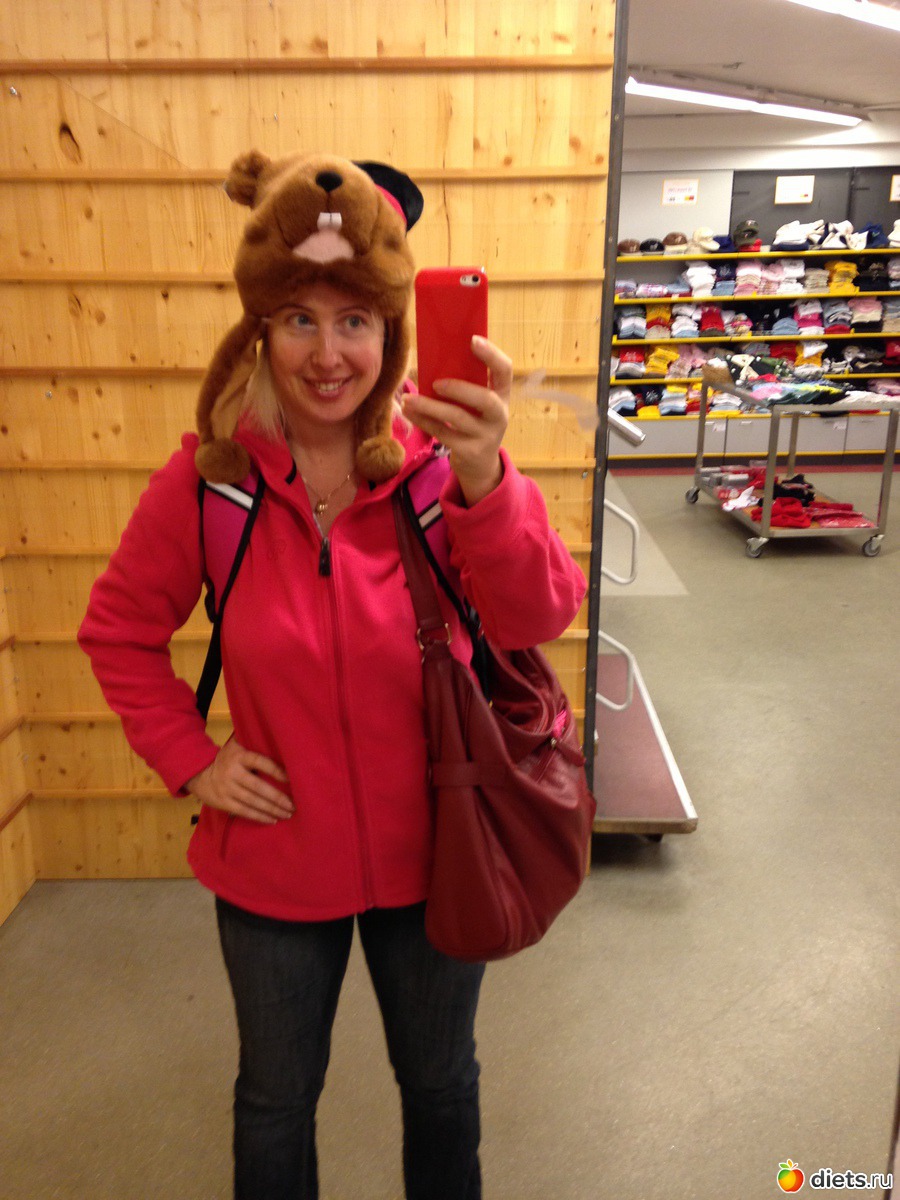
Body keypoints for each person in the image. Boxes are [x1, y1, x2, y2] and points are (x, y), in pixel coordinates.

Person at [78, 151, 587, 1200]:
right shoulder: (212, 482)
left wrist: (488, 478)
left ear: (391, 334)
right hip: (272, 861)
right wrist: (192, 759)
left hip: (440, 844)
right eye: (299, 319)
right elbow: (117, 631)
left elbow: (539, 615)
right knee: (274, 1100)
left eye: (354, 320)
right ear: (259, 330)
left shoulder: (439, 470)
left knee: (440, 1085)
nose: (326, 353)